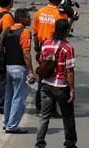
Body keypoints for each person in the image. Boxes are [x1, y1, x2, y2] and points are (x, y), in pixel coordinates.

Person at [35, 19, 77, 148]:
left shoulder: (46, 44)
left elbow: (41, 61)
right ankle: (70, 143)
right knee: (68, 116)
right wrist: (72, 89)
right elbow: (69, 70)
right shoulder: (68, 48)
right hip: (61, 86)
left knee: (44, 115)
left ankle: (40, 142)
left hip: (46, 84)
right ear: (66, 31)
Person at [33, 0, 69, 115]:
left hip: (43, 47)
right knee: (55, 77)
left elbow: (35, 33)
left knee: (43, 75)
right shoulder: (60, 14)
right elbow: (65, 31)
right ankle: (51, 109)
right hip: (56, 47)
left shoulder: (40, 12)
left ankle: (39, 107)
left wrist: (37, 48)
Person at [2, 8, 35, 134]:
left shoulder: (8, 30)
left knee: (9, 97)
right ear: (21, 18)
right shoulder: (25, 32)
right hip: (19, 68)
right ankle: (12, 126)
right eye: (28, 17)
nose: (30, 19)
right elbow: (26, 54)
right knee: (19, 98)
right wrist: (31, 71)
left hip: (8, 66)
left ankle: (6, 123)